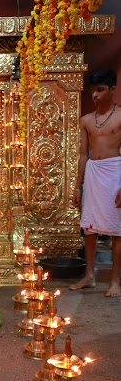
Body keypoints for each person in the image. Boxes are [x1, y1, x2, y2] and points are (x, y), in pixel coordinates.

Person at [70, 69, 121, 297]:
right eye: (93, 90)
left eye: (100, 90)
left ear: (112, 90)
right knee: (88, 227)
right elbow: (83, 154)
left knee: (116, 229)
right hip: (93, 172)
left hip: (115, 171)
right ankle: (89, 276)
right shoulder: (86, 120)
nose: (95, 95)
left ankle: (114, 281)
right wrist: (77, 186)